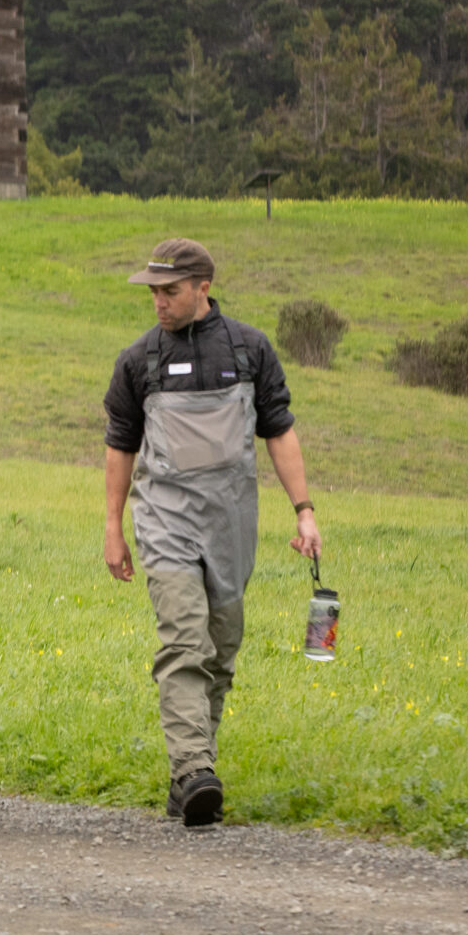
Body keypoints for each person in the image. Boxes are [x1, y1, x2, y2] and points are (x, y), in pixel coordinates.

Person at [103, 238, 320, 829]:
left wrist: (303, 509)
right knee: (184, 642)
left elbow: (279, 431)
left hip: (231, 521)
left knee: (221, 651)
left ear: (203, 288)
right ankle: (194, 768)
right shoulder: (138, 361)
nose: (158, 303)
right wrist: (113, 528)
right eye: (152, 292)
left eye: (169, 291)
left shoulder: (250, 350)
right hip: (166, 520)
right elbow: (120, 447)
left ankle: (191, 777)